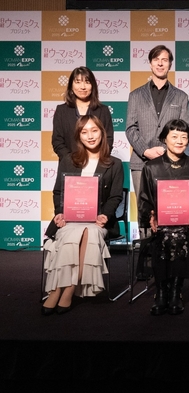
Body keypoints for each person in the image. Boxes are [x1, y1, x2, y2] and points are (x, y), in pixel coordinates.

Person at [42, 115, 123, 315]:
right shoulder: (68, 160)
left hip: (97, 221)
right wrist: (60, 213)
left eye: (94, 130)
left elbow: (115, 196)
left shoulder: (115, 163)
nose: (90, 136)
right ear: (79, 136)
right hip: (70, 219)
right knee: (71, 233)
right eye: (84, 132)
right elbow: (58, 192)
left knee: (89, 232)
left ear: (102, 133)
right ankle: (58, 289)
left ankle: (67, 288)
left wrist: (105, 215)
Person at [139, 119, 189, 315]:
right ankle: (162, 291)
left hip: (188, 225)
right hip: (159, 225)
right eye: (175, 136)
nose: (179, 141)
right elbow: (144, 200)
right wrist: (150, 216)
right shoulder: (151, 167)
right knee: (163, 234)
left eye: (184, 137)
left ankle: (175, 291)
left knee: (178, 233)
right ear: (164, 138)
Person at [126, 45, 189, 209]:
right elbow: (131, 128)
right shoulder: (135, 95)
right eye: (156, 60)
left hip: (171, 162)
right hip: (141, 162)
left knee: (170, 209)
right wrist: (146, 151)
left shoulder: (181, 97)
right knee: (144, 211)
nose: (160, 63)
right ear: (150, 64)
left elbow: (185, 129)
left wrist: (166, 151)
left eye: (164, 60)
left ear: (170, 64)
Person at [52, 66, 114, 161]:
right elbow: (57, 141)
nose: (83, 87)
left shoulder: (103, 110)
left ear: (93, 85)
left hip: (97, 163)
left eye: (87, 82)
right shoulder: (62, 110)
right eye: (78, 82)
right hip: (69, 164)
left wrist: (96, 160)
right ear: (71, 85)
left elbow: (108, 139)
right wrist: (71, 161)